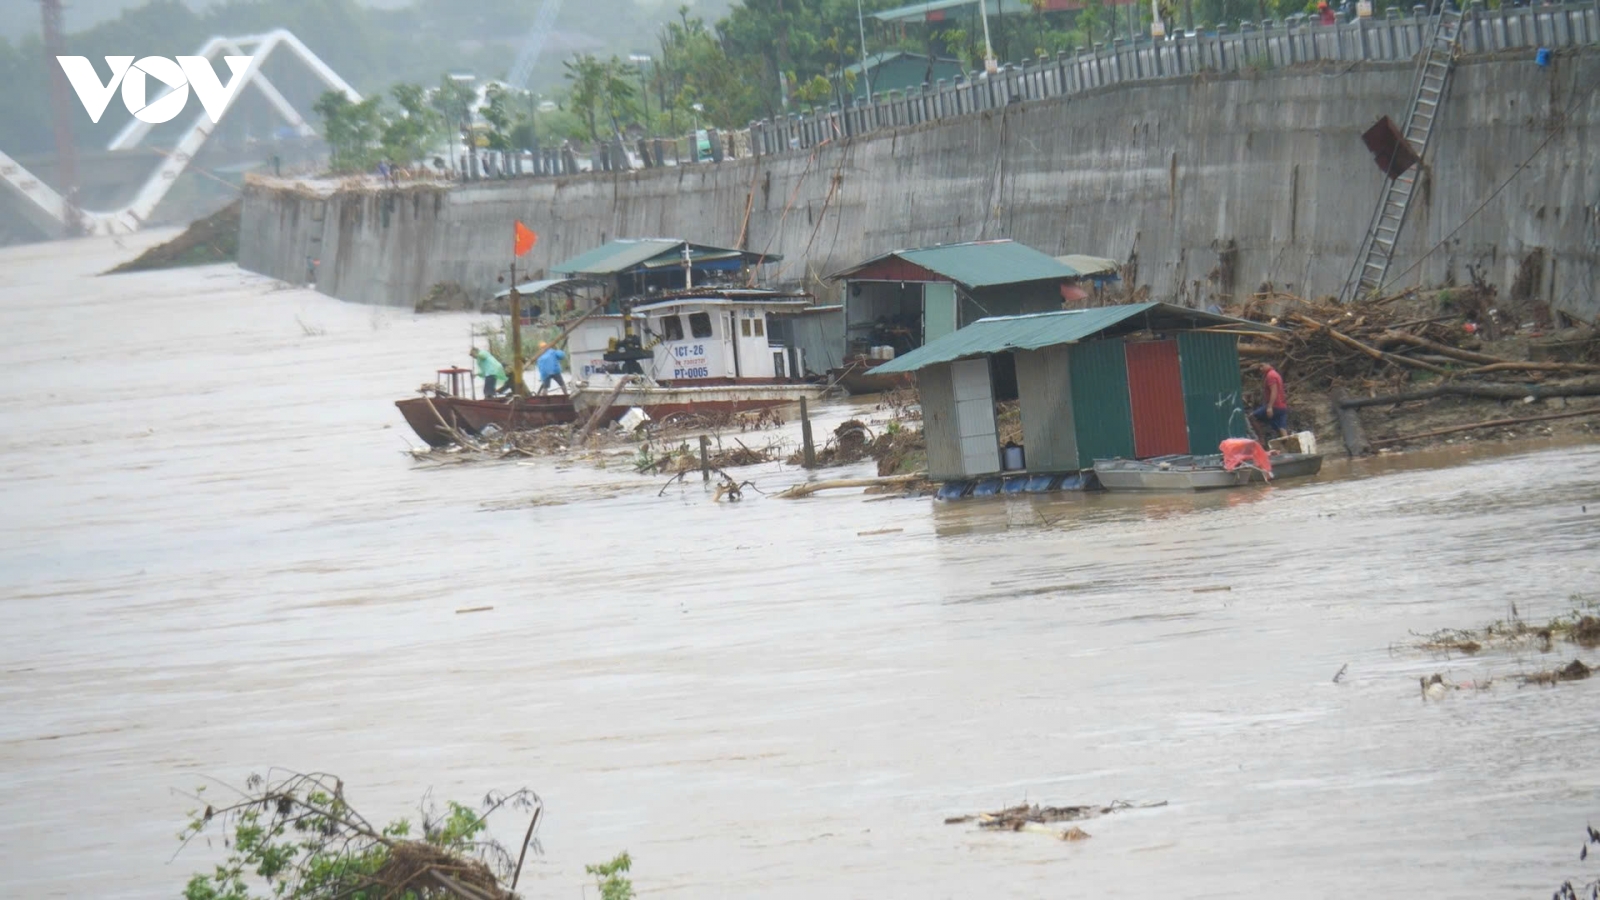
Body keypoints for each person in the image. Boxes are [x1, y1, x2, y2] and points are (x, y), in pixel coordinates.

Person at [1252, 362, 1290, 441]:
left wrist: (1269, 407)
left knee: (1252, 417)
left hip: (1275, 406)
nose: (1260, 369)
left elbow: (1274, 391)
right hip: (1282, 406)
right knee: (1281, 429)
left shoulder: (1270, 376)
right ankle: (1289, 448)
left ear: (1269, 364)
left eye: (1262, 366)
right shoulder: (1276, 374)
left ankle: (1261, 440)